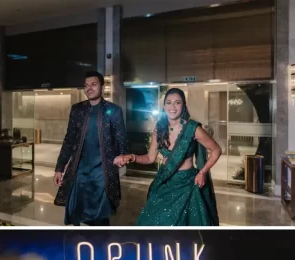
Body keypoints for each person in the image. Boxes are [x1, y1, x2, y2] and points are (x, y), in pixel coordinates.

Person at [114, 88, 222, 226]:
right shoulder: (160, 129)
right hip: (164, 182)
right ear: (164, 106)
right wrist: (131, 157)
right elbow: (150, 158)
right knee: (150, 221)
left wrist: (202, 172)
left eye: (177, 103)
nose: (172, 107)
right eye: (169, 103)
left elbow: (216, 150)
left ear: (183, 106)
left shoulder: (193, 129)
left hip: (186, 185)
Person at [53, 71, 128, 226]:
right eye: (86, 85)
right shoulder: (77, 110)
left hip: (103, 171)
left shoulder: (113, 110)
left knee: (99, 214)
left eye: (93, 84)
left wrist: (122, 156)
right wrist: (60, 168)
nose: (89, 88)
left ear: (102, 86)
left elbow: (121, 138)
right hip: (79, 171)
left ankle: (99, 244)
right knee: (76, 210)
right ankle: (79, 243)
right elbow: (69, 140)